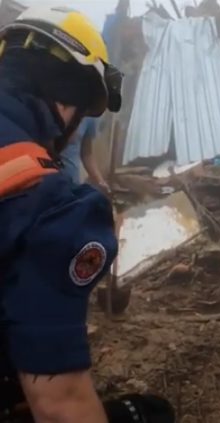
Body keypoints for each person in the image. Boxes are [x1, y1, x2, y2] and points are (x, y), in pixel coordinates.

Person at [0, 6, 173, 423]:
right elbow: (61, 408)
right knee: (150, 414)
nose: (78, 130)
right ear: (66, 98)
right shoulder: (46, 205)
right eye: (84, 112)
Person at [60, 117, 109, 193]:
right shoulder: (49, 109)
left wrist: (100, 181)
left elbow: (86, 154)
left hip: (73, 183)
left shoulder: (90, 117)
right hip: (46, 181)